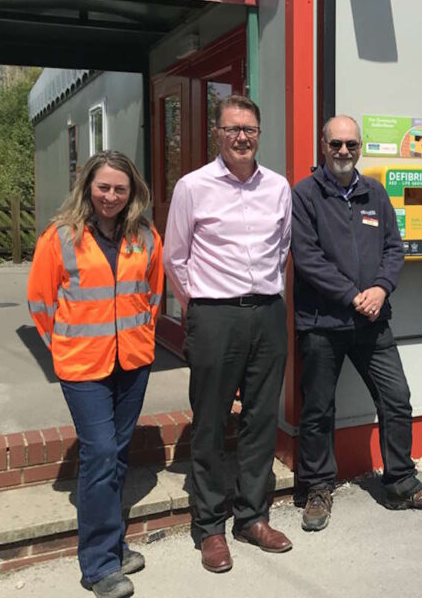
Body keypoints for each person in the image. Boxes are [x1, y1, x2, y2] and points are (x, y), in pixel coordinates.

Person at [291, 115, 422, 532]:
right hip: (323, 323)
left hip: (373, 321)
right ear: (322, 146)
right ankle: (318, 488)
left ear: (360, 148)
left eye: (351, 145)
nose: (344, 152)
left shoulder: (374, 193)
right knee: (318, 409)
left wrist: (380, 288)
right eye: (336, 145)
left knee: (396, 398)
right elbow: (307, 259)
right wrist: (351, 295)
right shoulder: (305, 195)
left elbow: (393, 249)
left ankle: (400, 482)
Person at [163, 95, 293, 571]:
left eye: (250, 129)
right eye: (233, 129)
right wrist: (201, 306)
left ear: (259, 134)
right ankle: (210, 527)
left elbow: (282, 249)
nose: (242, 137)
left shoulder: (278, 187)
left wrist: (260, 295)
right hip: (215, 316)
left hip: (267, 313)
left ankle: (253, 516)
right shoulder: (193, 187)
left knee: (261, 420)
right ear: (218, 133)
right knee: (212, 421)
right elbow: (174, 256)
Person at [27, 151, 163, 598]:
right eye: (103, 187)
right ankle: (99, 565)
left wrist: (139, 337)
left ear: (132, 192)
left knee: (117, 454)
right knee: (102, 452)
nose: (110, 196)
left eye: (119, 189)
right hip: (83, 367)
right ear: (88, 186)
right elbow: (42, 303)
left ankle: (113, 545)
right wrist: (64, 346)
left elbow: (153, 294)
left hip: (133, 363)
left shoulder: (144, 235)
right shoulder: (60, 236)